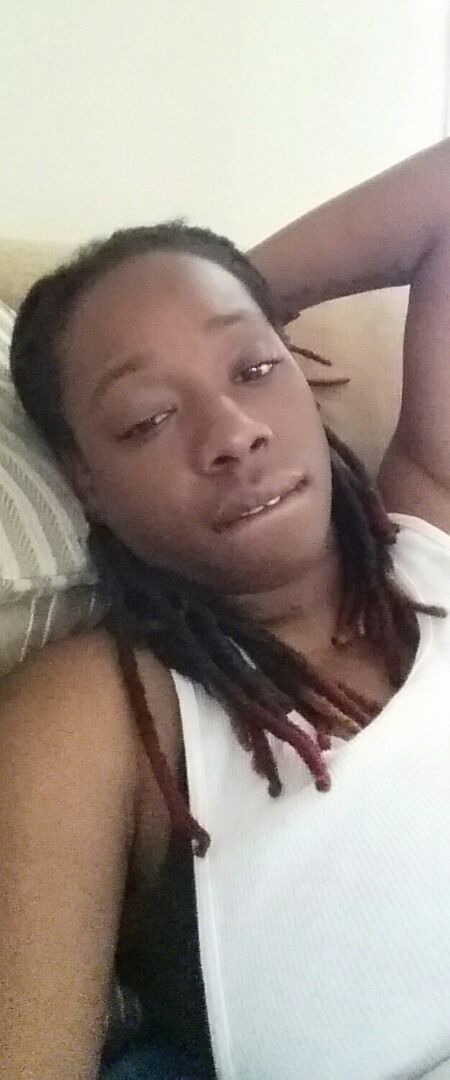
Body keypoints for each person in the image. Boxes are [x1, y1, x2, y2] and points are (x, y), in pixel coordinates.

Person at [2, 136, 450, 1080]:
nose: (234, 434)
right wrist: (222, 323)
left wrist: (236, 288)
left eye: (253, 372)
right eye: (148, 418)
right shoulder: (95, 714)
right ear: (86, 483)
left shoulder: (431, 531)